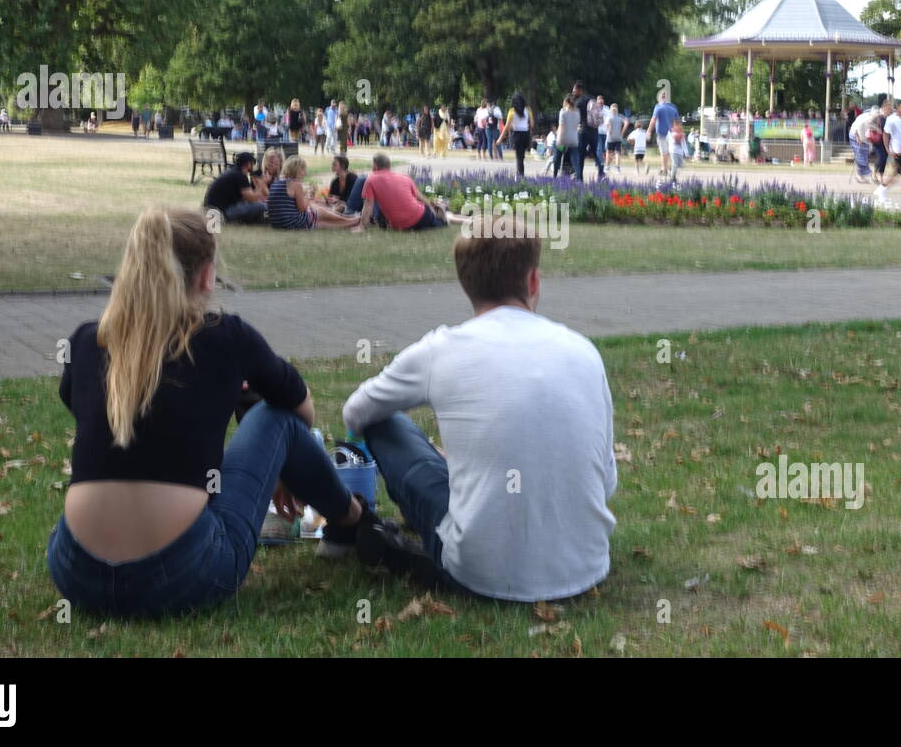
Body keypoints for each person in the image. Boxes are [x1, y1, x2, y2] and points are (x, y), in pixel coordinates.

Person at [47, 208, 370, 617]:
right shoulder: (227, 336)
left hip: (77, 575)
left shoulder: (86, 339)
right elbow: (299, 411)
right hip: (183, 575)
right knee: (276, 419)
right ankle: (350, 523)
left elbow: (81, 409)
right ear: (205, 275)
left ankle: (347, 522)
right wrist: (275, 468)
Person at [343, 227, 617, 599]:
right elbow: (607, 483)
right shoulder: (584, 351)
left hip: (478, 574)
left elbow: (356, 413)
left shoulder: (441, 349)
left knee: (383, 423)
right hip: (587, 565)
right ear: (533, 281)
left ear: (466, 285)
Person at [357, 153, 461, 232]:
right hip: (420, 216)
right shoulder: (404, 177)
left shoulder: (371, 179)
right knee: (432, 219)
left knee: (441, 222)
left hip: (400, 225)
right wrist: (430, 205)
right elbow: (420, 198)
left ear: (375, 166)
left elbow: (368, 204)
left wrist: (362, 226)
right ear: (388, 166)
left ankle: (443, 214)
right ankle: (441, 211)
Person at [268, 156, 361, 231]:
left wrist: (308, 197)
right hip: (290, 222)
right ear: (296, 169)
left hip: (277, 223)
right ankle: (353, 220)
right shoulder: (295, 184)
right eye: (303, 169)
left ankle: (351, 221)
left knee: (318, 222)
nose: (305, 173)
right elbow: (302, 208)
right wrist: (309, 195)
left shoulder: (279, 181)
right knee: (319, 211)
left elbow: (290, 203)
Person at [203, 152, 267, 224]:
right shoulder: (240, 175)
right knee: (262, 206)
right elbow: (251, 198)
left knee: (258, 204)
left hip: (211, 209)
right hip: (222, 211)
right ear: (248, 164)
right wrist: (262, 185)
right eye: (253, 163)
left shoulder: (232, 172)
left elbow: (245, 198)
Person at [877, 99, 901, 208]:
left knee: (894, 174)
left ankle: (881, 190)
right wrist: (887, 149)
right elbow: (885, 134)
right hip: (896, 150)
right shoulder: (891, 119)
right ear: (898, 107)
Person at [495, 94, 533, 176]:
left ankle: (520, 174)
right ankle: (520, 172)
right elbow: (532, 124)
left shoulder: (512, 111)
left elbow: (506, 126)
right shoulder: (528, 110)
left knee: (519, 157)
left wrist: (500, 139)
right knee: (521, 156)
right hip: (525, 134)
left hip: (516, 135)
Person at [647, 91, 679, 176]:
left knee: (664, 152)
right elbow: (676, 122)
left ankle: (664, 169)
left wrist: (649, 131)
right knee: (670, 151)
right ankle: (668, 168)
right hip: (672, 133)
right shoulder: (673, 107)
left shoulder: (658, 107)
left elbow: (653, 120)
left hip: (661, 133)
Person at [574, 83, 602, 181]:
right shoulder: (592, 98)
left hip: (584, 130)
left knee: (581, 154)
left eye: (575, 89)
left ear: (579, 90)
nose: (573, 91)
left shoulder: (579, 101)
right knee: (594, 152)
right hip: (594, 130)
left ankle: (579, 177)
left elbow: (575, 117)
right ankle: (601, 172)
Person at [848, 104, 882, 182]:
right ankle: (866, 175)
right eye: (877, 116)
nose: (878, 118)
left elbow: (874, 127)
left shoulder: (875, 119)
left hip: (864, 138)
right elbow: (856, 128)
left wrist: (877, 130)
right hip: (855, 136)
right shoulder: (866, 119)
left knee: (864, 156)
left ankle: (860, 175)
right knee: (860, 155)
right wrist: (857, 137)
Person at [554, 97, 580, 178]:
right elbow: (576, 127)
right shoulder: (577, 114)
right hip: (574, 140)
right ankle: (579, 178)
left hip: (564, 140)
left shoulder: (563, 113)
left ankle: (554, 176)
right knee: (575, 161)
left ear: (567, 103)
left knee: (557, 158)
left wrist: (558, 139)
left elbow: (562, 127)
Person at [604, 103, 626, 173]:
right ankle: (617, 168)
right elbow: (626, 122)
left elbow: (607, 125)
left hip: (610, 137)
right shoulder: (619, 117)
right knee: (617, 153)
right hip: (618, 137)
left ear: (611, 109)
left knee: (608, 152)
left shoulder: (609, 117)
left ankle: (607, 167)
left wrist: (609, 130)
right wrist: (622, 131)